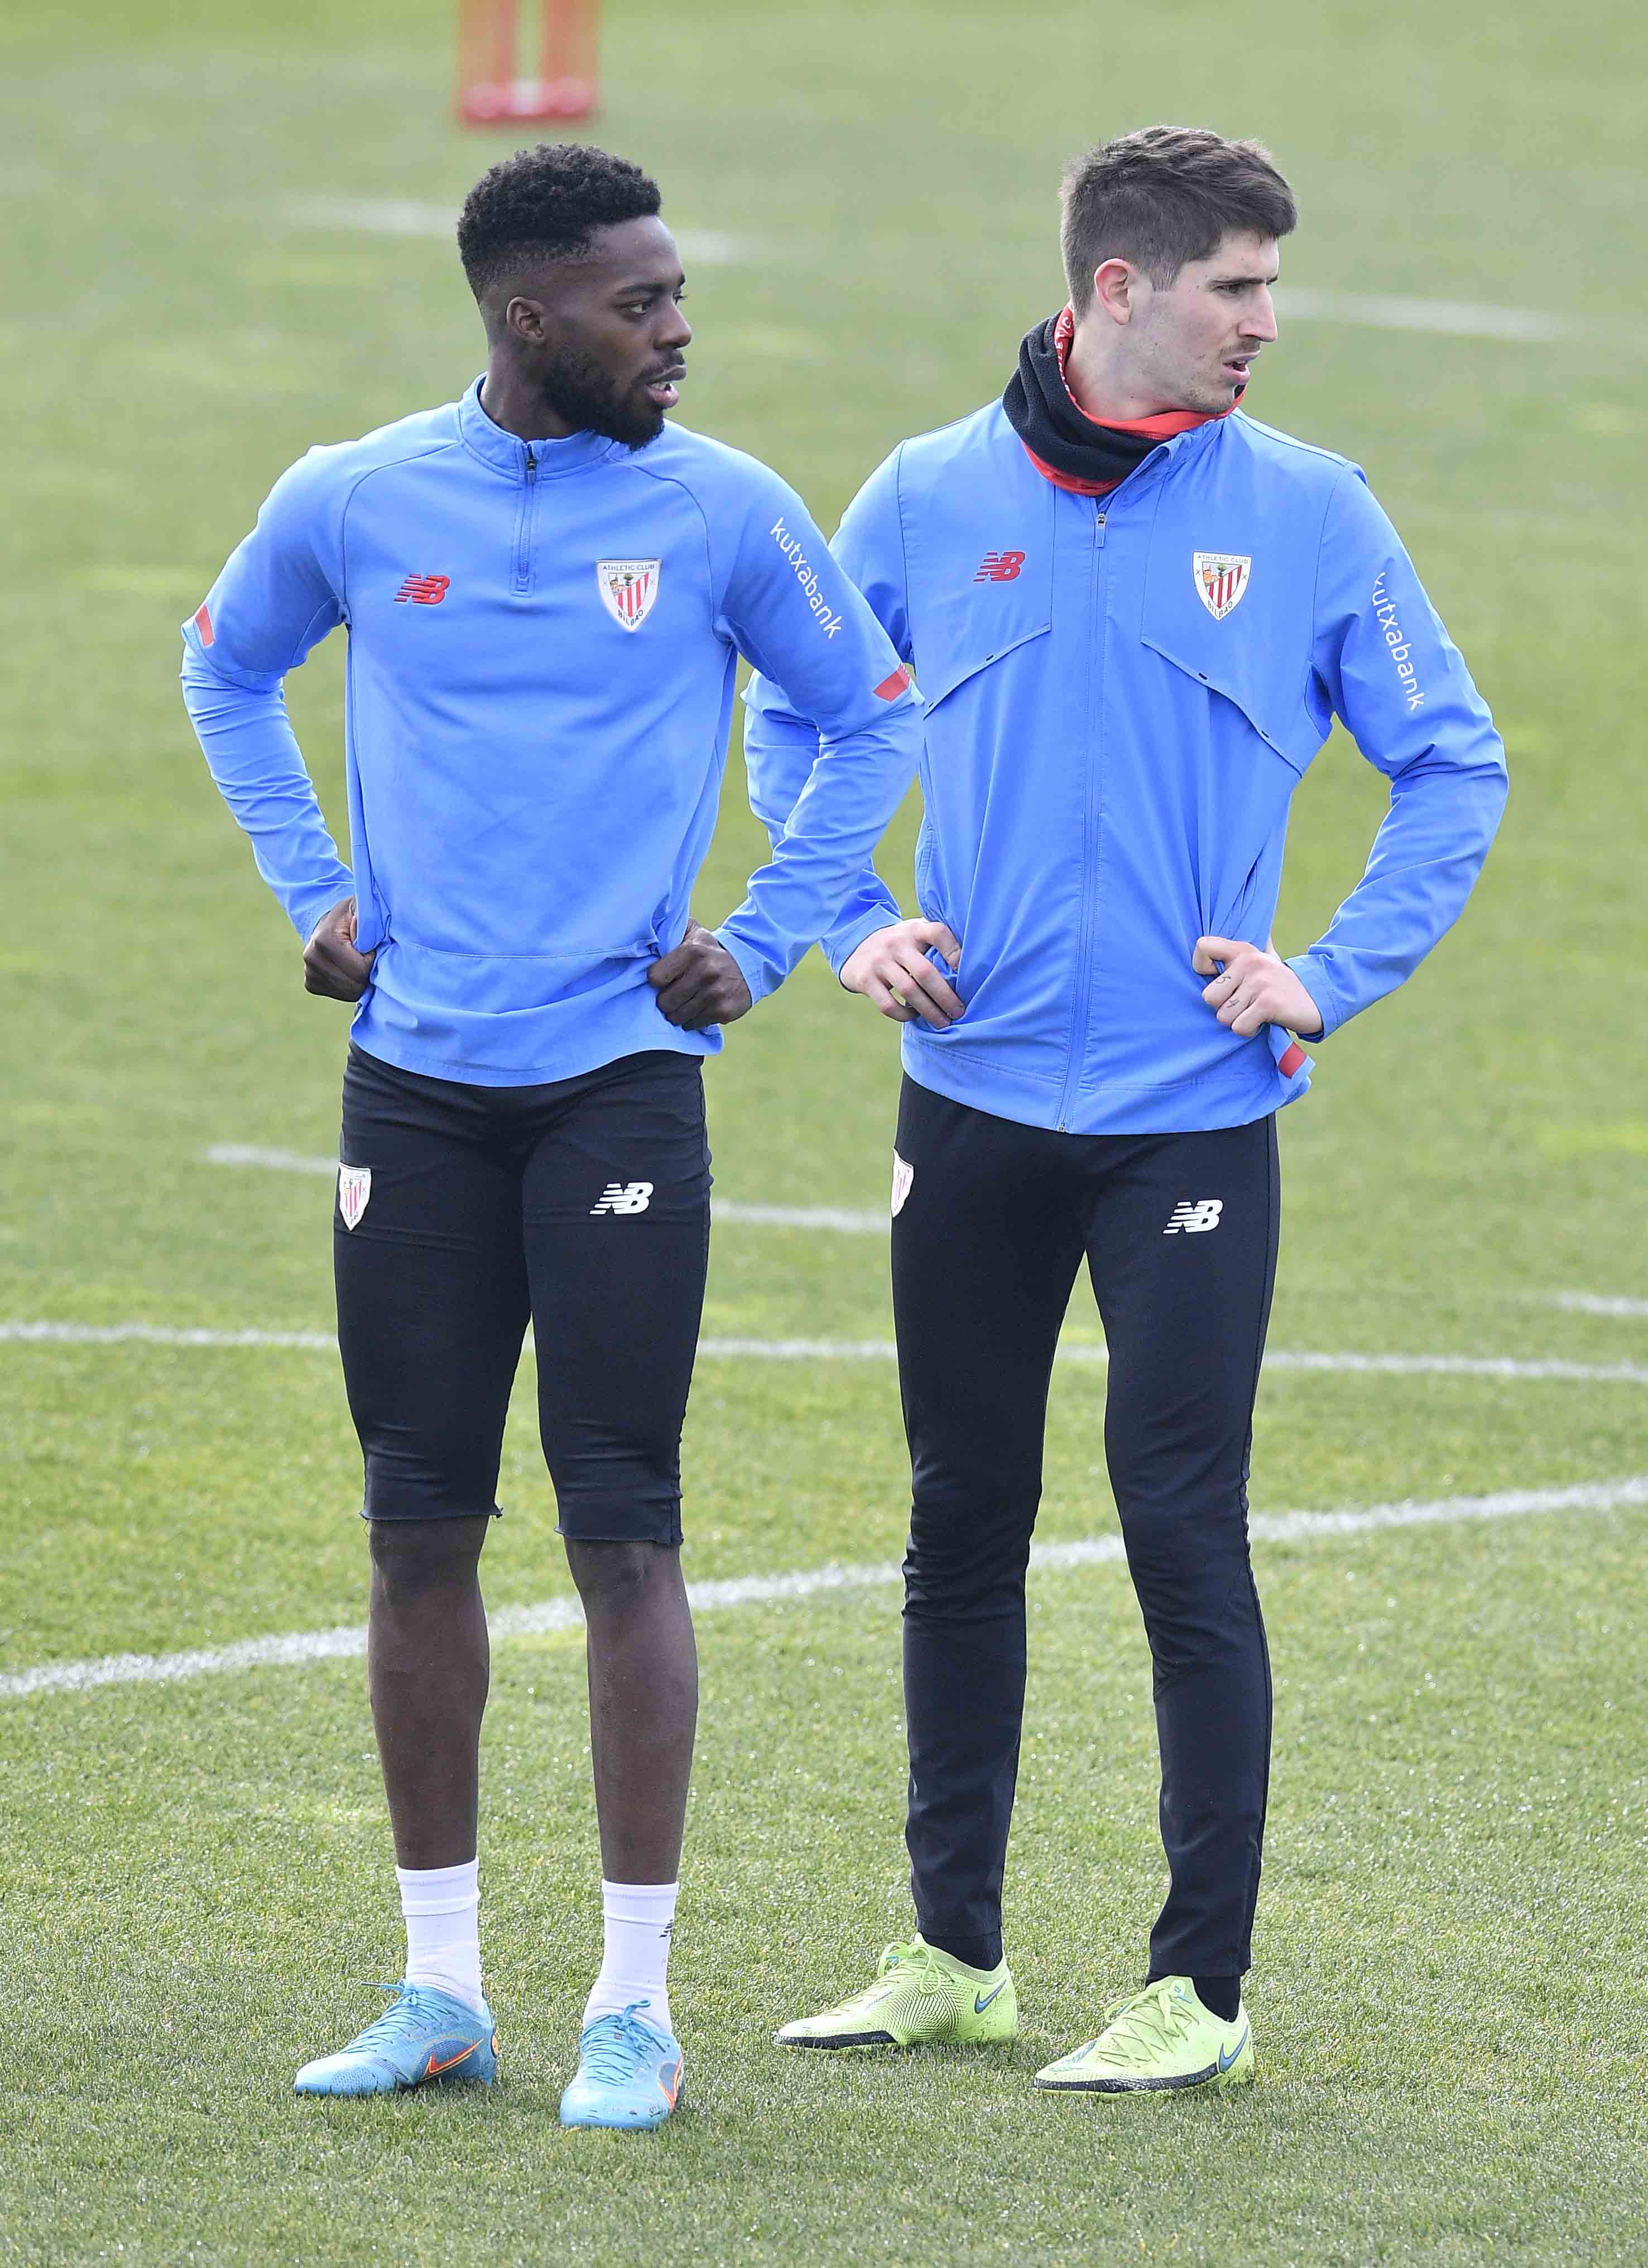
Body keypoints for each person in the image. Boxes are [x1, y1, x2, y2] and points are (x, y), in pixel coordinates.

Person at [746, 125, 1507, 2095]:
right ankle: (949, 1955)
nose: (1267, 321)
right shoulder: (923, 494)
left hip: (1187, 1120)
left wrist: (1324, 971)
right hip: (970, 1106)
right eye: (1234, 287)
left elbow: (1454, 766)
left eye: (1270, 286)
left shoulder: (1316, 513)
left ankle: (1198, 1997)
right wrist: (842, 918)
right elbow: (802, 715)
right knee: (956, 1528)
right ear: (1116, 291)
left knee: (1180, 1531)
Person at [180, 142, 921, 2130]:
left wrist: (764, 934)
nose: (679, 330)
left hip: (616, 1089)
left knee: (622, 1527)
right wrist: (309, 887)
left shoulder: (723, 509)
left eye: (679, 295)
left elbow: (873, 716)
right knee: (415, 1527)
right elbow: (226, 664)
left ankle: (635, 2004)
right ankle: (437, 1991)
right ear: (529, 318)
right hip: (412, 1085)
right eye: (640, 303)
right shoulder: (352, 494)